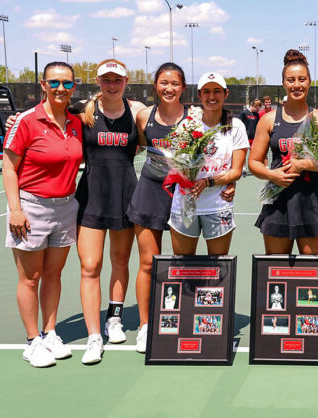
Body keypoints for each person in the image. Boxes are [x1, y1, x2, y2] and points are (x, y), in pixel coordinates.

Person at [3, 61, 82, 367]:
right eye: (55, 82)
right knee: (30, 277)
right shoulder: (25, 120)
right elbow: (9, 167)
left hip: (66, 206)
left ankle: (50, 332)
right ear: (43, 84)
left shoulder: (75, 123)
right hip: (31, 207)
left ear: (74, 87)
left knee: (53, 274)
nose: (61, 88)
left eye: (67, 83)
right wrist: (17, 209)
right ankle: (32, 341)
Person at [76, 59, 147, 364]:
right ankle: (94, 336)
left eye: (117, 79)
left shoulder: (137, 112)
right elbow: (48, 118)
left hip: (125, 195)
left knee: (120, 261)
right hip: (91, 196)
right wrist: (15, 121)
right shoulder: (83, 111)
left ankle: (114, 318)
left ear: (126, 81)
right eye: (106, 79)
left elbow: (159, 132)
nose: (112, 84)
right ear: (99, 81)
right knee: (90, 266)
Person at [249, 49, 318, 255]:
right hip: (277, 204)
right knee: (275, 273)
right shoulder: (269, 119)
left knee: (312, 277)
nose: (296, 85)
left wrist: (305, 165)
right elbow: (254, 162)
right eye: (291, 80)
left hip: (310, 203)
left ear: (309, 82)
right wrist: (272, 175)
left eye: (302, 79)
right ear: (283, 83)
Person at [127, 63, 188, 353]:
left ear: (183, 88)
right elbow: (135, 144)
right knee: (149, 263)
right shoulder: (143, 117)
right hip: (150, 192)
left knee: (179, 264)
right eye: (164, 83)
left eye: (175, 83)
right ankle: (145, 326)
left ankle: (175, 319)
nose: (169, 88)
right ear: (155, 85)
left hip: (184, 196)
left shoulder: (194, 119)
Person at [168, 72, 249, 256]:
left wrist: (207, 182)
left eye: (216, 91)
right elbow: (176, 165)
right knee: (184, 270)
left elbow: (236, 171)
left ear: (225, 94)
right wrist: (185, 174)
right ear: (199, 95)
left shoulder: (236, 126)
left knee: (218, 271)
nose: (211, 97)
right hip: (184, 206)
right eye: (206, 92)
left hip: (218, 206)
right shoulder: (187, 126)